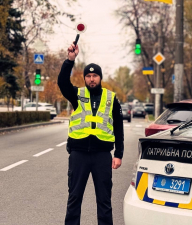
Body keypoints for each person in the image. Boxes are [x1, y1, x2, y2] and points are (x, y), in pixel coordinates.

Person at [57, 43, 124, 225]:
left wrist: (118, 154)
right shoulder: (76, 95)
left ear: (100, 78)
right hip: (78, 154)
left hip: (102, 155)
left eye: (95, 76)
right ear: (85, 78)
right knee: (74, 199)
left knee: (104, 201)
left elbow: (118, 127)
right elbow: (62, 83)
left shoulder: (111, 98)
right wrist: (70, 60)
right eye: (88, 76)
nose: (91, 79)